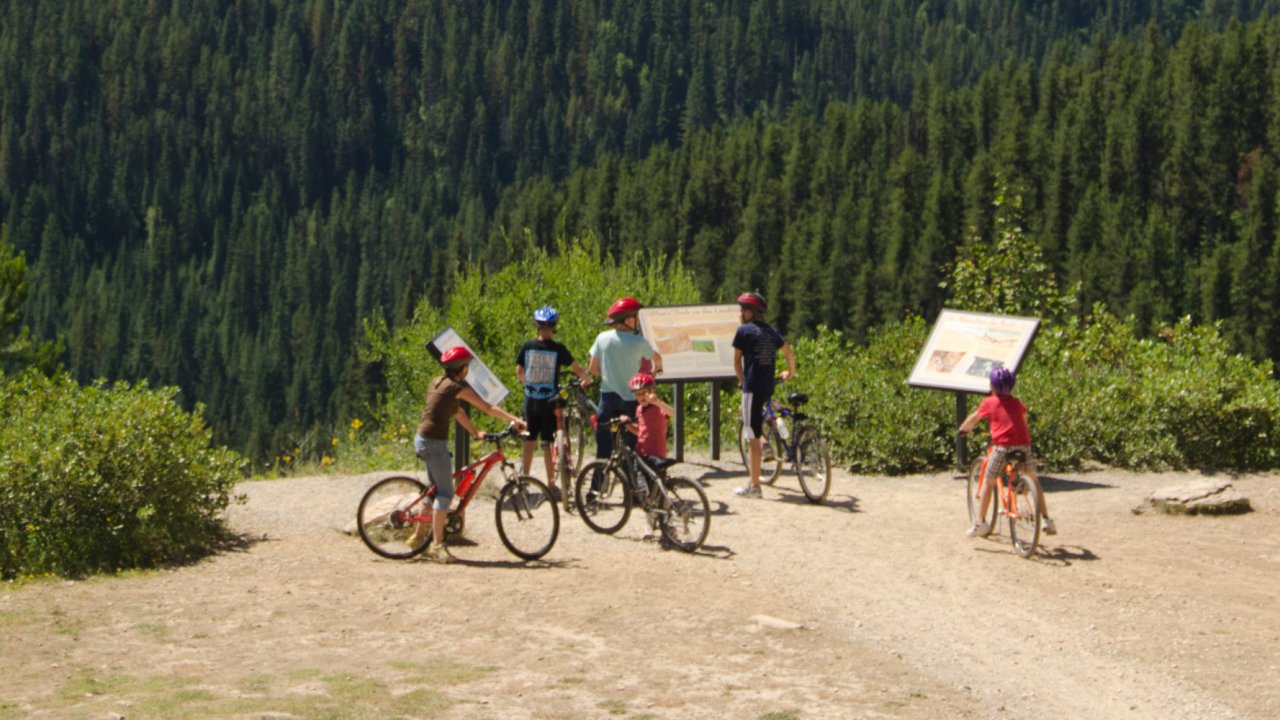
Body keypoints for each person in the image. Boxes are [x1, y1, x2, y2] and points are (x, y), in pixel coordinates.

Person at [409, 346, 527, 563]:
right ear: (461, 369)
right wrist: (514, 420)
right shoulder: (456, 387)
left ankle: (417, 538)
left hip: (423, 439)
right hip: (434, 444)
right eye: (467, 367)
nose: (468, 370)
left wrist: (475, 432)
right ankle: (437, 545)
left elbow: (457, 412)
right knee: (445, 494)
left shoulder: (438, 382)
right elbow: (487, 407)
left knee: (434, 491)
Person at [958, 367, 1057, 537]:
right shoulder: (1018, 403)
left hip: (1002, 447)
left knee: (989, 480)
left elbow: (974, 418)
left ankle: (979, 523)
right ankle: (1047, 520)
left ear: (992, 386)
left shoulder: (989, 402)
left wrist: (963, 428)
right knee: (1034, 479)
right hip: (1024, 446)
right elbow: (1024, 422)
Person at [515, 305, 592, 498]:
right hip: (549, 401)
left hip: (531, 400)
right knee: (548, 443)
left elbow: (519, 371)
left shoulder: (528, 346)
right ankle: (551, 485)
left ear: (536, 326)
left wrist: (527, 386)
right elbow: (576, 368)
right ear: (554, 327)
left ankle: (524, 480)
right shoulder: (559, 349)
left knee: (529, 441)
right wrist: (587, 379)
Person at [732, 292, 796, 498]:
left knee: (751, 436)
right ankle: (769, 439)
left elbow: (736, 363)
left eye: (743, 309)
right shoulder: (771, 332)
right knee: (760, 412)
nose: (741, 313)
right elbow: (788, 352)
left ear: (751, 312)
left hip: (752, 385)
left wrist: (742, 383)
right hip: (768, 385)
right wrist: (790, 372)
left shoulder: (743, 331)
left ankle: (754, 486)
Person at [587, 297, 663, 466]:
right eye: (635, 317)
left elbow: (592, 369)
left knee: (604, 445)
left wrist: (608, 376)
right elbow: (657, 360)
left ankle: (597, 487)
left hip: (607, 397)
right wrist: (653, 372)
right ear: (628, 320)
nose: (637, 321)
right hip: (631, 398)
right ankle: (632, 485)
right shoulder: (638, 342)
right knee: (631, 445)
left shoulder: (602, 338)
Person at [624, 372, 673, 459]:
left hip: (657, 453)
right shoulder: (639, 409)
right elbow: (641, 432)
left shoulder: (658, 407)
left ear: (652, 391)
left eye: (644, 393)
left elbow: (674, 413)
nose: (641, 397)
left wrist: (657, 402)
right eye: (638, 394)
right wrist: (627, 424)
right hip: (641, 452)